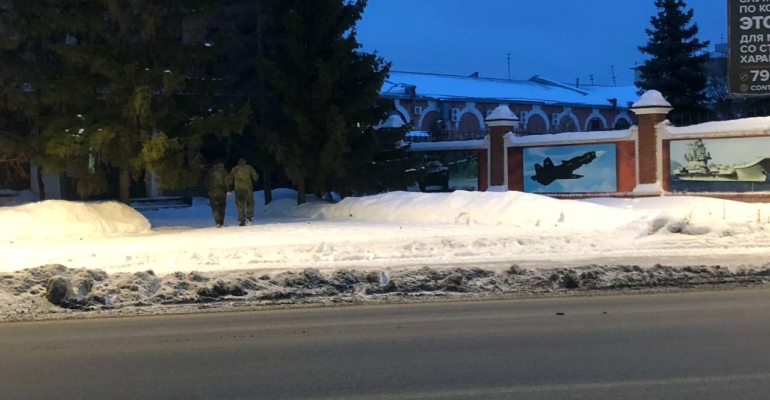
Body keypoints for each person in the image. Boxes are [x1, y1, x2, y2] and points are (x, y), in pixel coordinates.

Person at [227, 158, 259, 226]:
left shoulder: (234, 169)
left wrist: (230, 187)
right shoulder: (249, 168)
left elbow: (229, 179)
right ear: (245, 162)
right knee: (250, 202)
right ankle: (248, 217)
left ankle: (242, 220)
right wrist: (254, 181)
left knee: (240, 204)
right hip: (248, 188)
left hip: (238, 189)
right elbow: (255, 176)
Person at [205, 161, 229, 228]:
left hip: (212, 191)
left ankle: (217, 221)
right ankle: (221, 221)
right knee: (222, 206)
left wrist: (208, 190)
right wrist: (228, 189)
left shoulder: (210, 172)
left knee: (215, 207)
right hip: (222, 191)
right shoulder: (223, 172)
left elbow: (207, 181)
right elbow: (226, 181)